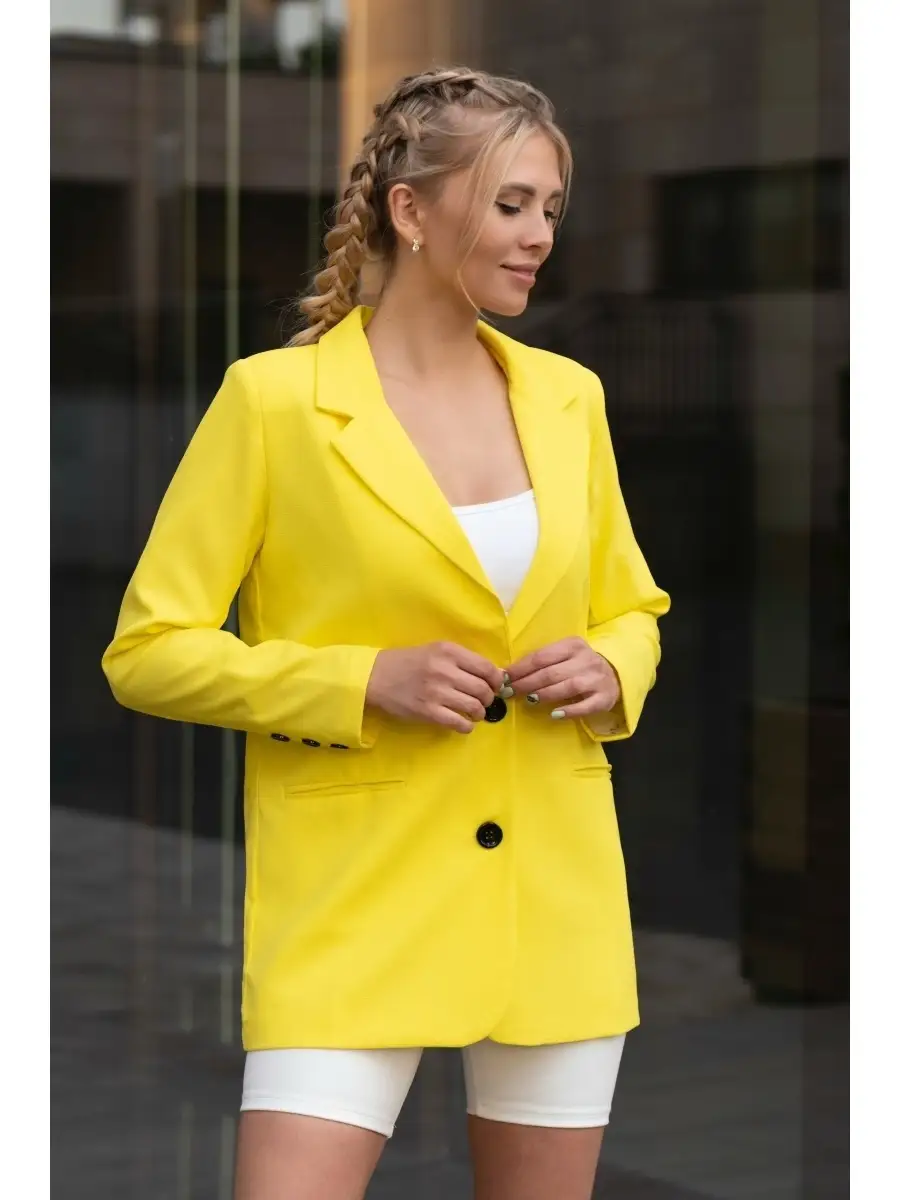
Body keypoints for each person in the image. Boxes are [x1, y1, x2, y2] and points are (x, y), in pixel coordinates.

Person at [102, 66, 670, 1200]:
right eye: (510, 203)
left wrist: (611, 666)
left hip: (554, 903)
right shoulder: (274, 402)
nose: (540, 236)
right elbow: (148, 650)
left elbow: (632, 607)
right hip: (352, 904)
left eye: (552, 209)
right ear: (410, 210)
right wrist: (361, 682)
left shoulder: (570, 398)